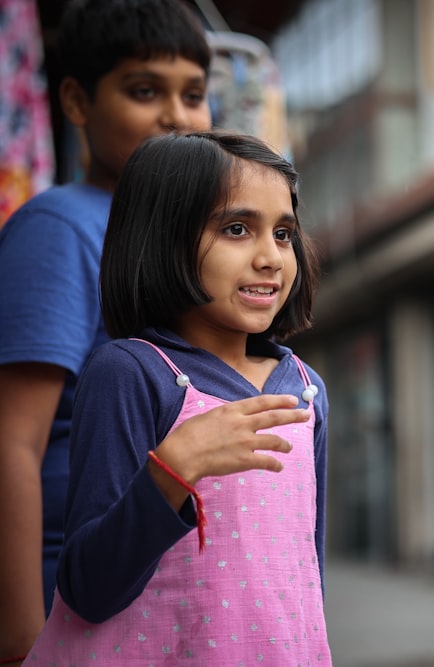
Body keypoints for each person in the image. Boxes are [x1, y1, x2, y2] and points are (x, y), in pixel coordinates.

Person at [24, 131, 331, 665]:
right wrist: (171, 472)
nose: (270, 258)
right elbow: (87, 591)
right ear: (163, 236)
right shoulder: (131, 373)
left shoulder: (306, 388)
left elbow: (309, 573)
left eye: (283, 233)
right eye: (238, 229)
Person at [0, 0, 212, 660]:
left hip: (152, 595)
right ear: (75, 100)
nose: (176, 116)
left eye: (195, 94)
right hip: (72, 606)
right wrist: (21, 638)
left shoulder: (179, 243)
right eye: (144, 90)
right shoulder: (63, 228)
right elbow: (12, 441)